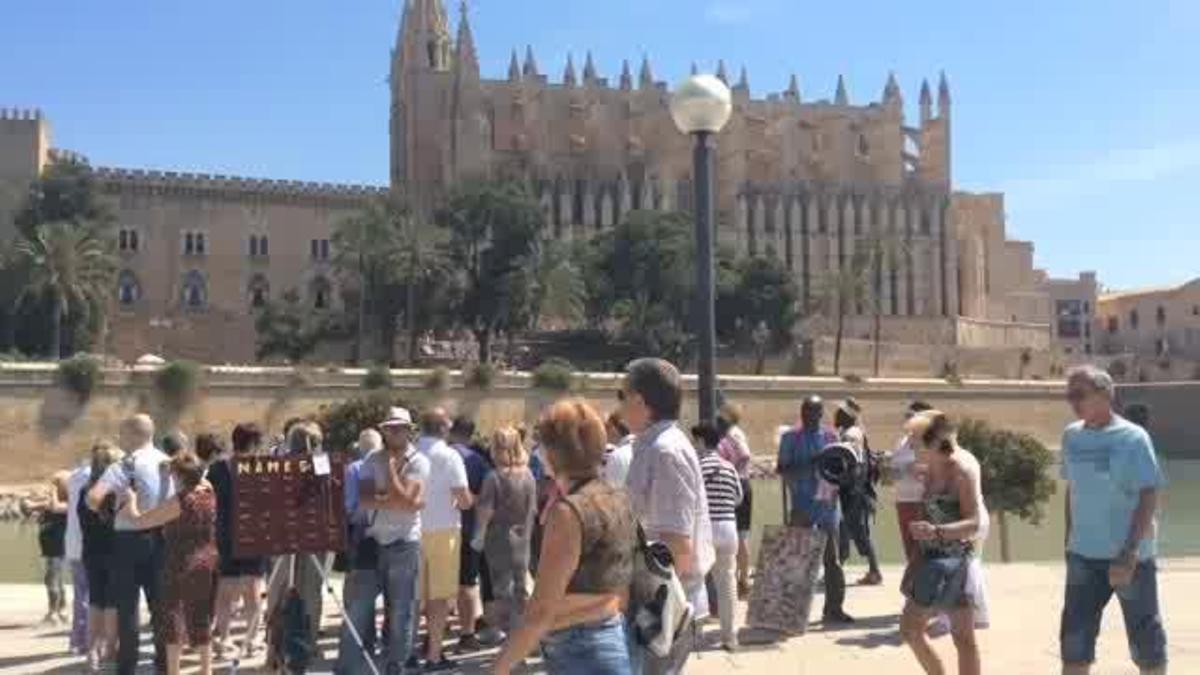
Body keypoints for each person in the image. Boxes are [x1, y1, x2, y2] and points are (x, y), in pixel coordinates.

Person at [491, 399, 636, 675]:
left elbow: (541, 611)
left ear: (552, 452)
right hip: (611, 636)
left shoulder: (567, 513)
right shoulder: (617, 499)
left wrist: (497, 669)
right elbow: (622, 588)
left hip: (578, 649)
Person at [1060, 366, 1167, 675]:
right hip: (1083, 557)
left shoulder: (1134, 438)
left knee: (1146, 645)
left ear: (1105, 395)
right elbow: (1072, 490)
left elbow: (1149, 493)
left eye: (1079, 395)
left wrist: (1131, 551)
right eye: (1069, 396)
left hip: (1129, 558)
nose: (1073, 402)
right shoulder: (1071, 436)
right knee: (1074, 645)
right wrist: (1069, 540)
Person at [621, 358, 715, 675]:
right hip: (656, 600)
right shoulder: (654, 447)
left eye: (623, 396)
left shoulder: (664, 452)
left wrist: (669, 612)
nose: (620, 406)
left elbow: (676, 543)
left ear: (639, 400)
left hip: (663, 604)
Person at [339, 407, 429, 675]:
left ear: (409, 430)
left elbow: (408, 504)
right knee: (358, 607)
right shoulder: (370, 460)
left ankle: (396, 665)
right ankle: (347, 667)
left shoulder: (419, 462)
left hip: (404, 543)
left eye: (399, 427)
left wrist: (390, 472)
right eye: (389, 428)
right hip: (374, 540)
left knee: (402, 610)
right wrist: (397, 497)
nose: (394, 432)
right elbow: (367, 499)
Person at [898, 411, 987, 675]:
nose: (910, 444)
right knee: (918, 632)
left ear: (934, 442)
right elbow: (926, 522)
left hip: (954, 564)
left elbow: (973, 523)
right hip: (932, 561)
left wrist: (935, 531)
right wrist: (913, 562)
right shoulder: (929, 473)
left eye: (914, 439)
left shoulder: (961, 472)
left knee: (959, 638)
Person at [87, 414, 174, 675]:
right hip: (163, 539)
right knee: (160, 606)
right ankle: (164, 664)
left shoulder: (124, 465)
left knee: (127, 609)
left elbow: (92, 499)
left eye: (123, 434)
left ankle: (127, 666)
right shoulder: (168, 462)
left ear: (135, 434)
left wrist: (113, 504)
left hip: (127, 542)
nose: (120, 440)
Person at [122, 450, 220, 675]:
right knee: (202, 617)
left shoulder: (179, 501)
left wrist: (131, 500)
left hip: (181, 564)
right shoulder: (209, 492)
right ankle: (206, 670)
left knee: (173, 620)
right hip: (209, 560)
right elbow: (198, 477)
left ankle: (173, 672)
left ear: (178, 476)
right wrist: (174, 467)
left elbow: (141, 521)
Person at [777, 395, 853, 624]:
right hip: (802, 505)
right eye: (805, 412)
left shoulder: (831, 436)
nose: (808, 416)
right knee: (796, 560)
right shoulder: (790, 437)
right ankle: (791, 612)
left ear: (821, 414)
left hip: (828, 506)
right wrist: (811, 463)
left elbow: (842, 467)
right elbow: (783, 468)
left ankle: (834, 609)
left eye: (813, 412)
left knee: (833, 561)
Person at [264, 421, 332, 661]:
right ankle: (302, 644)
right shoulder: (312, 464)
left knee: (287, 591)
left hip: (297, 536)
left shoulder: (291, 464)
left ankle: (280, 649)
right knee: (303, 591)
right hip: (302, 536)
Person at [411, 406, 472, 671]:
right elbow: (463, 498)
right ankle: (434, 655)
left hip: (411, 530)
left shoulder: (409, 453)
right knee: (439, 599)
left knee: (410, 597)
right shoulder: (450, 456)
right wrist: (470, 502)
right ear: (445, 428)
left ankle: (407, 652)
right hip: (444, 530)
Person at [208, 422, 269, 660]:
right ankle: (252, 640)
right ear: (253, 443)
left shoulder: (217, 469)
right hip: (254, 536)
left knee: (226, 591)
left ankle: (224, 640)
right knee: (252, 592)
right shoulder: (262, 468)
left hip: (225, 537)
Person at [473, 426, 537, 635]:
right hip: (523, 538)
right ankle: (527, 634)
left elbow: (485, 511)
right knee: (521, 589)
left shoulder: (493, 477)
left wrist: (479, 536)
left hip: (498, 539)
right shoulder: (528, 475)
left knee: (503, 590)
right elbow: (533, 508)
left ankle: (512, 637)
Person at [692, 422, 743, 652]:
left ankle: (696, 635)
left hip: (705, 529)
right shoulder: (729, 467)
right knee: (727, 584)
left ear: (702, 441)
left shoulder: (696, 467)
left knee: (696, 583)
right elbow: (738, 498)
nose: (694, 445)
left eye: (695, 441)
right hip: (728, 527)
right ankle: (729, 636)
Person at [449, 416, 494, 652]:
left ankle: (433, 634)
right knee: (466, 583)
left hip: (437, 529)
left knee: (435, 587)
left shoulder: (437, 456)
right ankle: (466, 635)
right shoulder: (478, 461)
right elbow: (487, 498)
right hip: (469, 529)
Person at [78, 441, 124, 672]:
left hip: (91, 551)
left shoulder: (85, 491)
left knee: (96, 600)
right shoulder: (116, 492)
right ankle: (110, 651)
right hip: (115, 551)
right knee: (112, 603)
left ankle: (92, 653)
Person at [835, 398, 883, 586]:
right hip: (852, 490)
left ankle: (875, 571)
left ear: (847, 416)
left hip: (853, 492)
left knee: (859, 532)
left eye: (839, 413)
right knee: (844, 530)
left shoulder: (851, 434)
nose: (836, 416)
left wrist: (849, 486)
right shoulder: (851, 432)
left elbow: (854, 463)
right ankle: (837, 568)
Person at [891, 400, 934, 569]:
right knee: (910, 550)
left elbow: (939, 471)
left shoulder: (931, 442)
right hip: (903, 500)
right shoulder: (902, 441)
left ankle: (928, 588)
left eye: (911, 416)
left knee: (924, 549)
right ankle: (916, 589)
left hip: (922, 502)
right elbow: (895, 471)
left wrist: (915, 468)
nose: (907, 420)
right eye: (906, 416)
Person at [716, 404, 753, 598]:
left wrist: (732, 471)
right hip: (736, 482)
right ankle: (741, 578)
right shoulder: (728, 434)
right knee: (738, 533)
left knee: (741, 533)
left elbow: (745, 455)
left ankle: (743, 579)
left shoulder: (733, 434)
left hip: (738, 483)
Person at [33, 469, 70, 626]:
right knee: (55, 579)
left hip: (57, 547)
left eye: (55, 484)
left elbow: (54, 507)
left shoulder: (67, 502)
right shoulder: (51, 502)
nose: (51, 487)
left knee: (52, 579)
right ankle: (61, 611)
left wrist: (53, 490)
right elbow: (35, 507)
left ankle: (54, 612)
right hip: (49, 547)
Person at [65, 452, 93, 654]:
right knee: (94, 596)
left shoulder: (73, 476)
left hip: (73, 543)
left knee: (80, 594)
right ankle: (87, 640)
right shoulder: (94, 477)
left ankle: (77, 639)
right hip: (88, 544)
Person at [602, 412, 633, 486]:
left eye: (607, 427)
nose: (604, 431)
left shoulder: (615, 456)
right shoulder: (644, 448)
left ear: (614, 429)